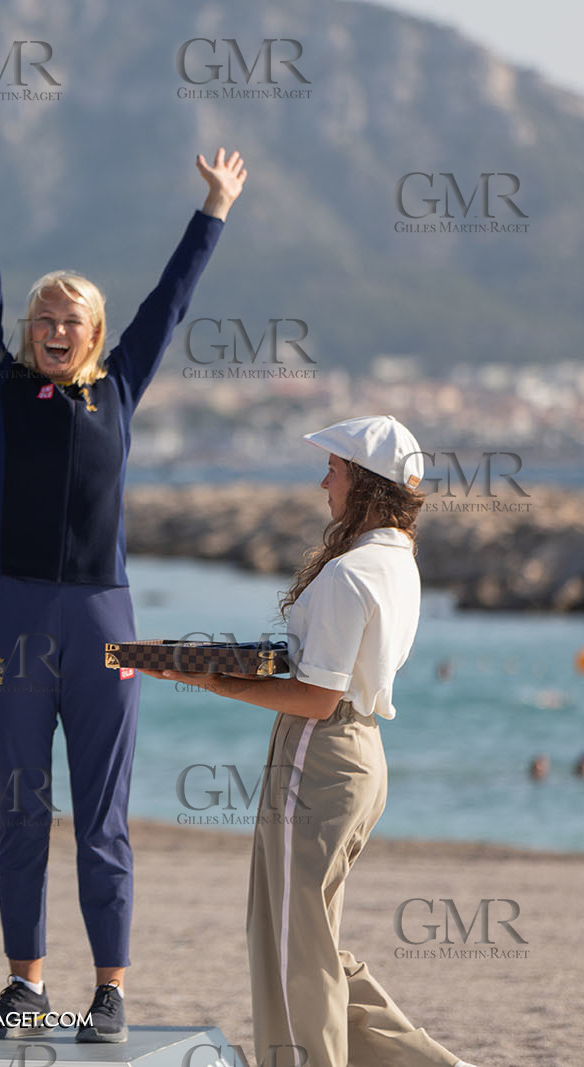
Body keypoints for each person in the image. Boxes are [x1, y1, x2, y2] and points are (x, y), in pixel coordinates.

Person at [0, 110, 243, 1042]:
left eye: (72, 319)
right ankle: (25, 981)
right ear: (29, 330)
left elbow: (172, 299)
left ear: (96, 332)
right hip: (15, 613)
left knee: (102, 814)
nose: (56, 328)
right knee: (22, 810)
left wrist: (214, 212)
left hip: (105, 622)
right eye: (45, 318)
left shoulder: (119, 386)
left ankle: (109, 987)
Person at [142, 415, 480, 1067]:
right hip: (357, 757)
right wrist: (210, 660)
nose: (323, 480)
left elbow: (315, 696)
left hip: (318, 754)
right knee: (308, 940)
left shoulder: (352, 573)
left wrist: (209, 678)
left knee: (292, 945)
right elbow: (309, 665)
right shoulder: (397, 561)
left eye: (335, 468)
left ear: (365, 483)